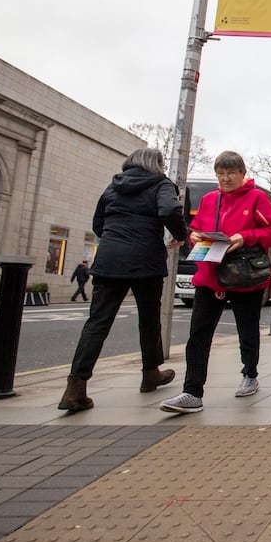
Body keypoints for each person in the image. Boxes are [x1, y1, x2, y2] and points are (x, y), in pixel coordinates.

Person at [58, 148, 188, 412]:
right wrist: (180, 235)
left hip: (109, 260)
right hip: (145, 261)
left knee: (97, 323)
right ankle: (150, 373)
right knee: (149, 319)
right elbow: (170, 210)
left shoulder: (114, 186)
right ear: (157, 165)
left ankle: (75, 387)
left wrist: (114, 239)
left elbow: (98, 223)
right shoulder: (161, 184)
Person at [160, 151, 271, 414]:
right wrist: (194, 237)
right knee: (199, 333)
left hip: (244, 274)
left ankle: (250, 373)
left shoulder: (257, 198)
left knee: (246, 329)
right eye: (221, 173)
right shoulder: (208, 200)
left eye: (231, 173)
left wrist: (245, 236)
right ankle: (192, 392)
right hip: (209, 274)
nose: (225, 178)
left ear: (242, 174)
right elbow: (197, 228)